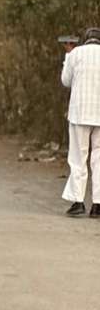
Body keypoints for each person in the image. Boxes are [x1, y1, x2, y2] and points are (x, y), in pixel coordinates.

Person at [61, 27, 100, 217]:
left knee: (78, 158)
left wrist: (68, 55)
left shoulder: (76, 54)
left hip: (80, 112)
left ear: (84, 40)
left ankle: (78, 202)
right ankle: (98, 204)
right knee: (99, 159)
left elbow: (66, 81)